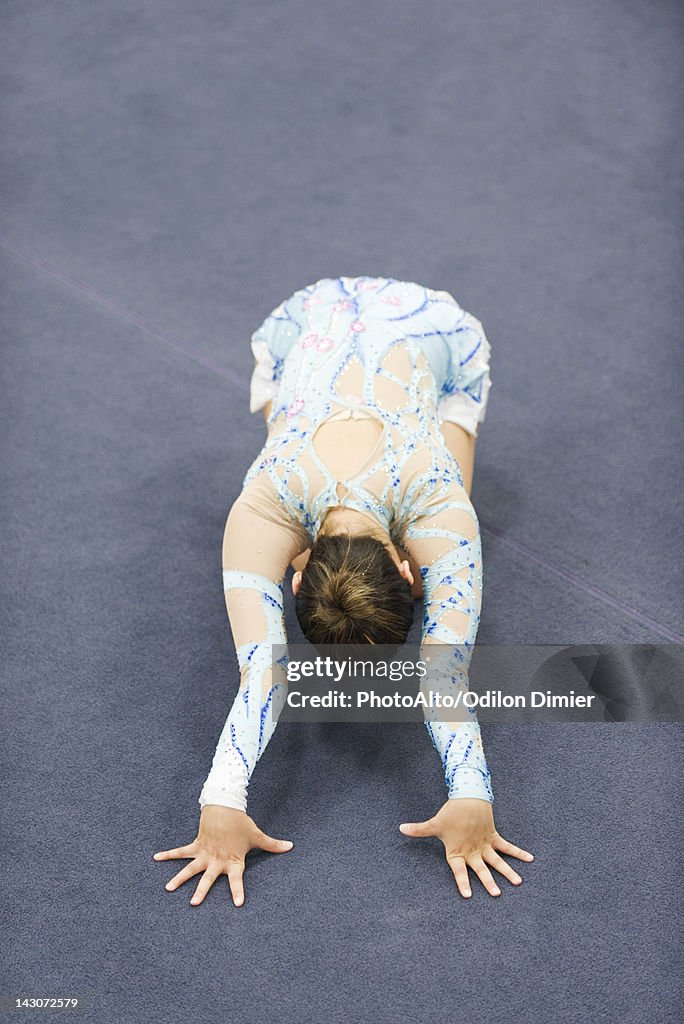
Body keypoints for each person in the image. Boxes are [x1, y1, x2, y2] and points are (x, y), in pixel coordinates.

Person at [154, 275, 534, 906]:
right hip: (329, 322)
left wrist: (225, 798)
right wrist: (470, 791)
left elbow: (262, 676)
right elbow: (446, 676)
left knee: (456, 493)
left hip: (385, 324)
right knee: (449, 541)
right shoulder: (270, 504)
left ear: (295, 576)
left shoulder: (433, 496)